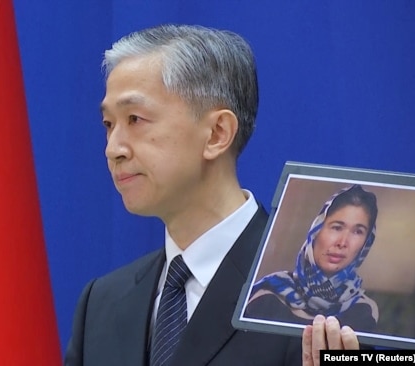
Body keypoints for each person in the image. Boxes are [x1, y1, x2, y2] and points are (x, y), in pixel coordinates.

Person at [64, 24, 359, 366]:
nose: (113, 149)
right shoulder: (102, 301)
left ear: (218, 133)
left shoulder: (323, 300)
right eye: (108, 125)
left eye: (135, 119)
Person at [245, 185, 379, 332]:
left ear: (366, 243)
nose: (342, 242)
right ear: (317, 231)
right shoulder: (269, 293)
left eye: (357, 232)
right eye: (337, 227)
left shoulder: (364, 309)